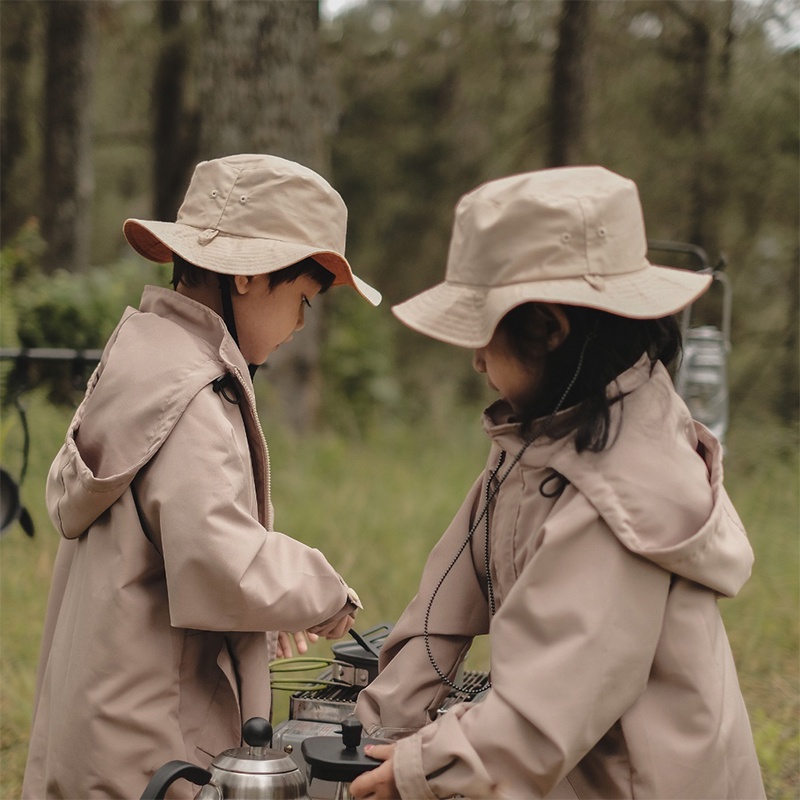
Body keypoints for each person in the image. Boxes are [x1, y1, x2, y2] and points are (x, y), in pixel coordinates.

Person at [352, 166, 765, 799]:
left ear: (548, 329)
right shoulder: (547, 429)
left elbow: (544, 710)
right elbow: (450, 590)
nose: (475, 357)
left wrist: (414, 773)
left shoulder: (624, 491)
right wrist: (385, 720)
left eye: (484, 332)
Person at [22, 153, 381, 799]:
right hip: (152, 741)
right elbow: (222, 560)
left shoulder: (145, 356)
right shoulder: (194, 397)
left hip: (101, 711)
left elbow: (177, 543)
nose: (300, 326)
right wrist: (326, 593)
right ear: (248, 276)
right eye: (301, 300)